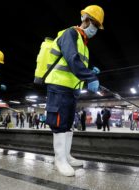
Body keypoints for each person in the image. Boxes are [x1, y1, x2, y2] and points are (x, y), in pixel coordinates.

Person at [44, 5, 104, 176]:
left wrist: (90, 70)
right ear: (85, 19)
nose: (95, 29)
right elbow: (71, 58)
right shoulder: (70, 33)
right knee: (59, 123)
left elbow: (77, 62)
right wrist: (90, 77)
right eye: (95, 24)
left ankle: (66, 157)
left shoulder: (84, 43)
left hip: (72, 89)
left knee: (68, 124)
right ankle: (59, 160)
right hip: (59, 86)